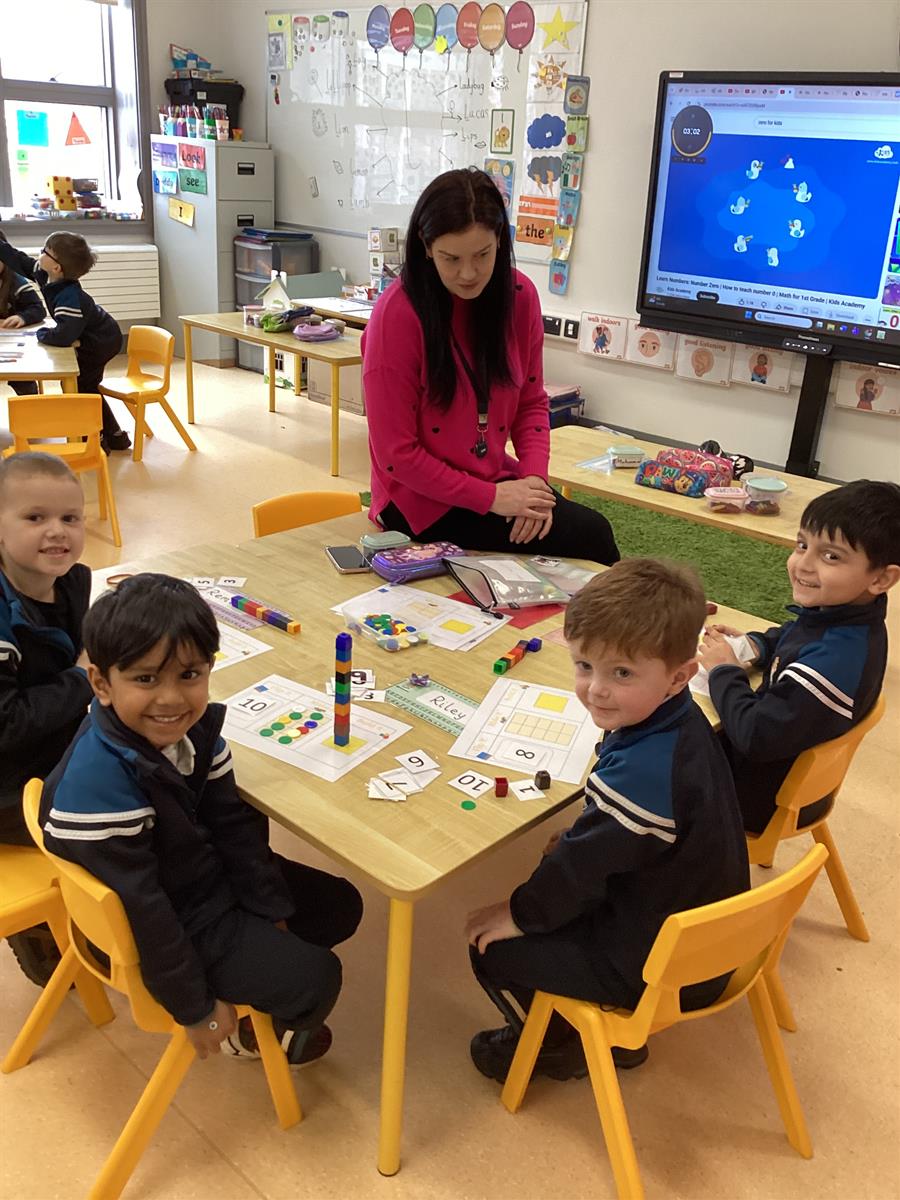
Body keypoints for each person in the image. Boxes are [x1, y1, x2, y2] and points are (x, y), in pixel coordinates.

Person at [40, 573, 363, 1065]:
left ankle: (262, 974)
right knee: (318, 978)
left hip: (193, 880)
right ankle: (248, 1033)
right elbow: (146, 916)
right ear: (102, 684)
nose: (171, 699)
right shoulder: (100, 787)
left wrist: (269, 909)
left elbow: (235, 829)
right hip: (171, 921)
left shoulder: (191, 733)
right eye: (146, 679)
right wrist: (194, 1008)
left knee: (340, 904)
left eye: (189, 675)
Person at [465, 558, 749, 1083]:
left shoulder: (642, 771)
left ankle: (568, 1045)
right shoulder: (680, 720)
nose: (595, 689)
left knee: (490, 947)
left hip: (664, 969)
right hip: (708, 935)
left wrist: (521, 914)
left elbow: (579, 871)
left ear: (679, 676)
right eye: (584, 665)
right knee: (560, 859)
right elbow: (614, 844)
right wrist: (588, 834)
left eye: (621, 673)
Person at [361, 167, 619, 564]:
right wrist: (493, 497)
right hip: (417, 500)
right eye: (451, 259)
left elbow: (531, 402)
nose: (468, 273)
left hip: (492, 477)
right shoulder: (397, 315)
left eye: (482, 255)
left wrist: (534, 483)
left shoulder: (519, 296)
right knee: (589, 535)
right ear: (426, 247)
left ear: (500, 239)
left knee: (584, 531)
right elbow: (396, 454)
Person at [700, 479, 900, 834]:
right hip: (779, 774)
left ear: (881, 579)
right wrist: (756, 646)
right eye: (802, 544)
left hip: (753, 798)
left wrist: (725, 670)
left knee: (647, 742)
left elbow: (754, 735)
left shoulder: (834, 661)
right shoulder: (847, 619)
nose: (802, 565)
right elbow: (795, 634)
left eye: (831, 556)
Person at [0, 452, 94, 983]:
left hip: (56, 746)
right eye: (35, 517)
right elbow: (6, 725)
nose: (57, 531)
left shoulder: (71, 581)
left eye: (70, 518)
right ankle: (47, 936)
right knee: (127, 815)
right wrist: (82, 678)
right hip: (9, 787)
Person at [0, 232, 131, 452]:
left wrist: (43, 334)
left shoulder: (68, 297)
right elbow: (18, 259)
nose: (40, 253)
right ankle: (115, 436)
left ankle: (95, 439)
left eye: (45, 251)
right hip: (92, 337)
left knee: (82, 389)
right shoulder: (46, 276)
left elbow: (64, 335)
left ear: (57, 267)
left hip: (101, 341)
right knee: (86, 387)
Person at [0, 231, 45, 396]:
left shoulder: (16, 281)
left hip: (12, 346)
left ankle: (31, 406)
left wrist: (22, 317)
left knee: (24, 381)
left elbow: (38, 309)